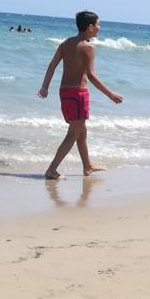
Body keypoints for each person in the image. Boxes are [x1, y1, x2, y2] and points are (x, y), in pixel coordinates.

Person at [38, 10, 123, 179]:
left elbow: (52, 65)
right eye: (98, 25)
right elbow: (91, 75)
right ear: (90, 27)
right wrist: (110, 94)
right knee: (73, 134)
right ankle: (51, 170)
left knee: (81, 131)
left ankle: (87, 166)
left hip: (64, 93)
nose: (99, 28)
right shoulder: (88, 47)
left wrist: (45, 87)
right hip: (78, 94)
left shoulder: (65, 43)